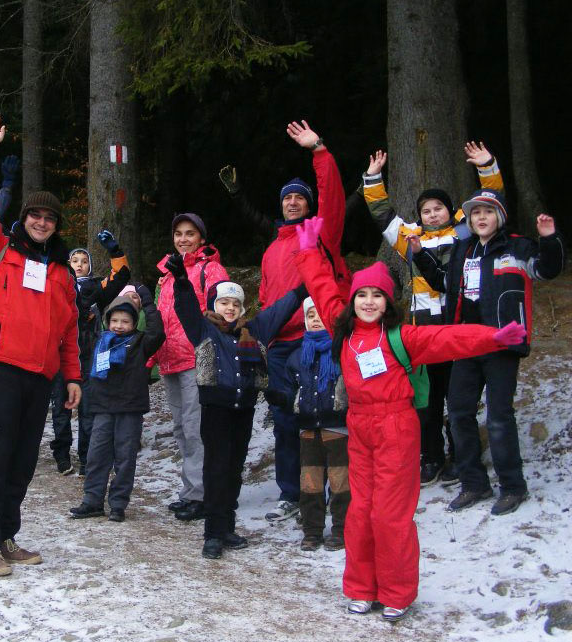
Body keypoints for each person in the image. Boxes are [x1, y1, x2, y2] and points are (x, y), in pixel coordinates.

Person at [295, 216, 528, 620]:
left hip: (397, 429)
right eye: (362, 294)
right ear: (353, 301)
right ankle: (362, 587)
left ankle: (397, 592)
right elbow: (320, 285)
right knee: (360, 512)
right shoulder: (344, 330)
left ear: (389, 302)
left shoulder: (403, 336)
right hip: (360, 427)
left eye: (377, 295)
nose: (368, 301)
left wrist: (491, 336)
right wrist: (307, 251)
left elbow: (448, 337)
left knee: (390, 516)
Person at [0, 112, 81, 578]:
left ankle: (7, 535)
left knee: (22, 464)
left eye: (49, 218)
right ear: (24, 218)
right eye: (35, 215)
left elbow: (70, 330)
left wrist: (71, 376)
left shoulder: (61, 274)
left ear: (56, 225)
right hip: (0, 372)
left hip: (40, 378)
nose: (41, 222)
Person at [412, 193, 563, 516]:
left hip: (502, 343)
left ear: (500, 217)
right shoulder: (463, 251)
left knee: (498, 417)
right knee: (459, 413)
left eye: (487, 212)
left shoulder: (517, 247)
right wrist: (420, 256)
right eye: (475, 213)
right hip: (466, 343)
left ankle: (512, 487)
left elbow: (546, 270)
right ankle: (473, 483)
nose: (480, 218)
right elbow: (443, 284)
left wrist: (549, 238)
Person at [362, 142, 503, 485]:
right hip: (421, 333)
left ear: (451, 211)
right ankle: (431, 456)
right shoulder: (411, 239)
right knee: (425, 401)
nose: (433, 214)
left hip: (454, 328)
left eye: (439, 208)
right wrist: (372, 178)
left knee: (457, 397)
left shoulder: (464, 233)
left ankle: (460, 454)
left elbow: (490, 203)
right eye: (426, 210)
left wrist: (487, 167)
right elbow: (382, 213)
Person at [168, 251, 307, 559]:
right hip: (215, 411)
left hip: (243, 410)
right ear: (214, 306)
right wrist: (180, 280)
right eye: (223, 303)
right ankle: (213, 533)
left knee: (233, 470)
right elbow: (186, 307)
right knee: (216, 470)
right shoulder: (204, 330)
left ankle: (228, 526)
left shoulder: (253, 331)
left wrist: (306, 285)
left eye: (235, 304)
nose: (229, 308)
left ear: (242, 308)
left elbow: (282, 308)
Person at [259, 120, 351, 524]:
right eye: (287, 199)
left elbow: (333, 198)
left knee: (325, 419)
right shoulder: (271, 250)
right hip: (280, 345)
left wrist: (319, 152)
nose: (293, 203)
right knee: (285, 420)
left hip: (316, 341)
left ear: (309, 205)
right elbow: (265, 296)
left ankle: (333, 493)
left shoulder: (320, 235)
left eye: (300, 198)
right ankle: (291, 493)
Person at [151, 212, 229, 522]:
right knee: (183, 429)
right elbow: (162, 316)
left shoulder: (211, 269)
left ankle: (201, 494)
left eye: (190, 233)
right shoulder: (169, 274)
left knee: (197, 429)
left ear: (201, 238)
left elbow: (222, 312)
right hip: (171, 359)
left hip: (197, 358)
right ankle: (191, 491)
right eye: (179, 233)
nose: (183, 239)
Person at [69, 286, 164, 522]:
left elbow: (158, 331)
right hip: (102, 408)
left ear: (134, 323)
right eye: (115, 320)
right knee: (96, 456)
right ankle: (92, 501)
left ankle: (118, 504)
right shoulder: (99, 341)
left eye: (125, 321)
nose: (119, 325)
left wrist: (147, 301)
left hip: (130, 410)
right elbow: (78, 326)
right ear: (107, 321)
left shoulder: (141, 342)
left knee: (125, 458)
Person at [51, 232, 131, 475]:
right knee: (60, 408)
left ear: (89, 265)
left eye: (83, 261)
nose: (79, 264)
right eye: (74, 260)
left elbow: (121, 277)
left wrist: (115, 252)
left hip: (90, 356)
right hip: (60, 355)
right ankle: (62, 454)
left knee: (87, 410)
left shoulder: (97, 287)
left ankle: (86, 457)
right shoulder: (57, 285)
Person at [285, 297, 349, 552]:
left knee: (340, 481)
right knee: (310, 482)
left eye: (320, 314)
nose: (315, 319)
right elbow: (289, 388)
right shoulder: (297, 355)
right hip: (308, 427)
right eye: (310, 315)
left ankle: (342, 529)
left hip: (338, 426)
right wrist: (286, 402)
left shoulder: (342, 350)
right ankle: (312, 531)